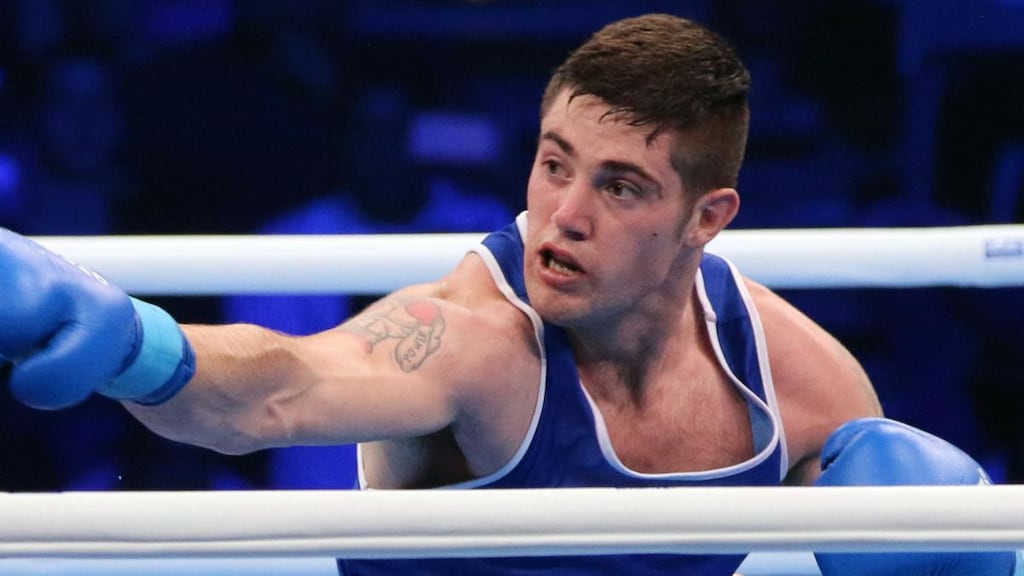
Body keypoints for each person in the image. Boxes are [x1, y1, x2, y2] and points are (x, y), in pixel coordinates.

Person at [0, 13, 1018, 576]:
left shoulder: (795, 383)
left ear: (707, 218)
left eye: (618, 187)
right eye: (551, 163)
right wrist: (129, 340)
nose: (560, 215)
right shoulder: (476, 341)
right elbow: (276, 387)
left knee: (909, 496)